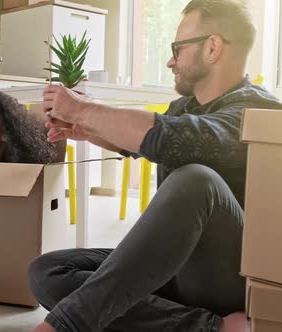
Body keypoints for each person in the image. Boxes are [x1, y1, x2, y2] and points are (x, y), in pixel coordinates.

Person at [28, 1, 282, 331]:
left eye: (178, 48)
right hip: (178, 270)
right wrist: (85, 129)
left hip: (229, 279)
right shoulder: (186, 106)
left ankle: (63, 325)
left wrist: (82, 110)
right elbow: (144, 142)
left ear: (213, 47)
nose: (170, 60)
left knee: (196, 181)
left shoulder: (258, 110)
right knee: (47, 272)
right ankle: (212, 328)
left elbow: (174, 138)